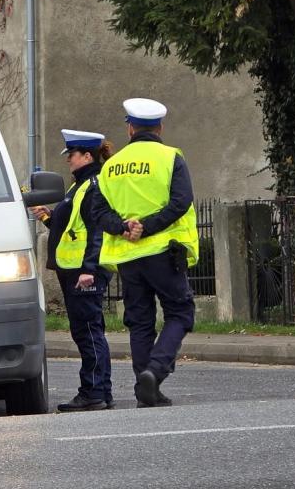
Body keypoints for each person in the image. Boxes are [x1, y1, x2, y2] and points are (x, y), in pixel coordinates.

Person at [93, 98, 199, 408]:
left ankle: (145, 389)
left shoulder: (111, 166)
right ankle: (154, 371)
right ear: (160, 127)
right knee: (180, 312)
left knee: (140, 321)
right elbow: (181, 202)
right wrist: (147, 227)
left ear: (130, 128)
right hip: (164, 253)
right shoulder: (171, 158)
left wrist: (125, 228)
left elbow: (98, 211)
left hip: (128, 257)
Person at [30, 129, 114, 412]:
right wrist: (49, 217)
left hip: (83, 271)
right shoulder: (78, 186)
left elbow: (97, 230)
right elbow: (72, 228)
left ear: (87, 156)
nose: (68, 160)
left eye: (72, 155)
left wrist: (89, 268)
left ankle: (92, 392)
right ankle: (101, 390)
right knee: (89, 331)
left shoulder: (92, 186)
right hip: (75, 269)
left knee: (88, 332)